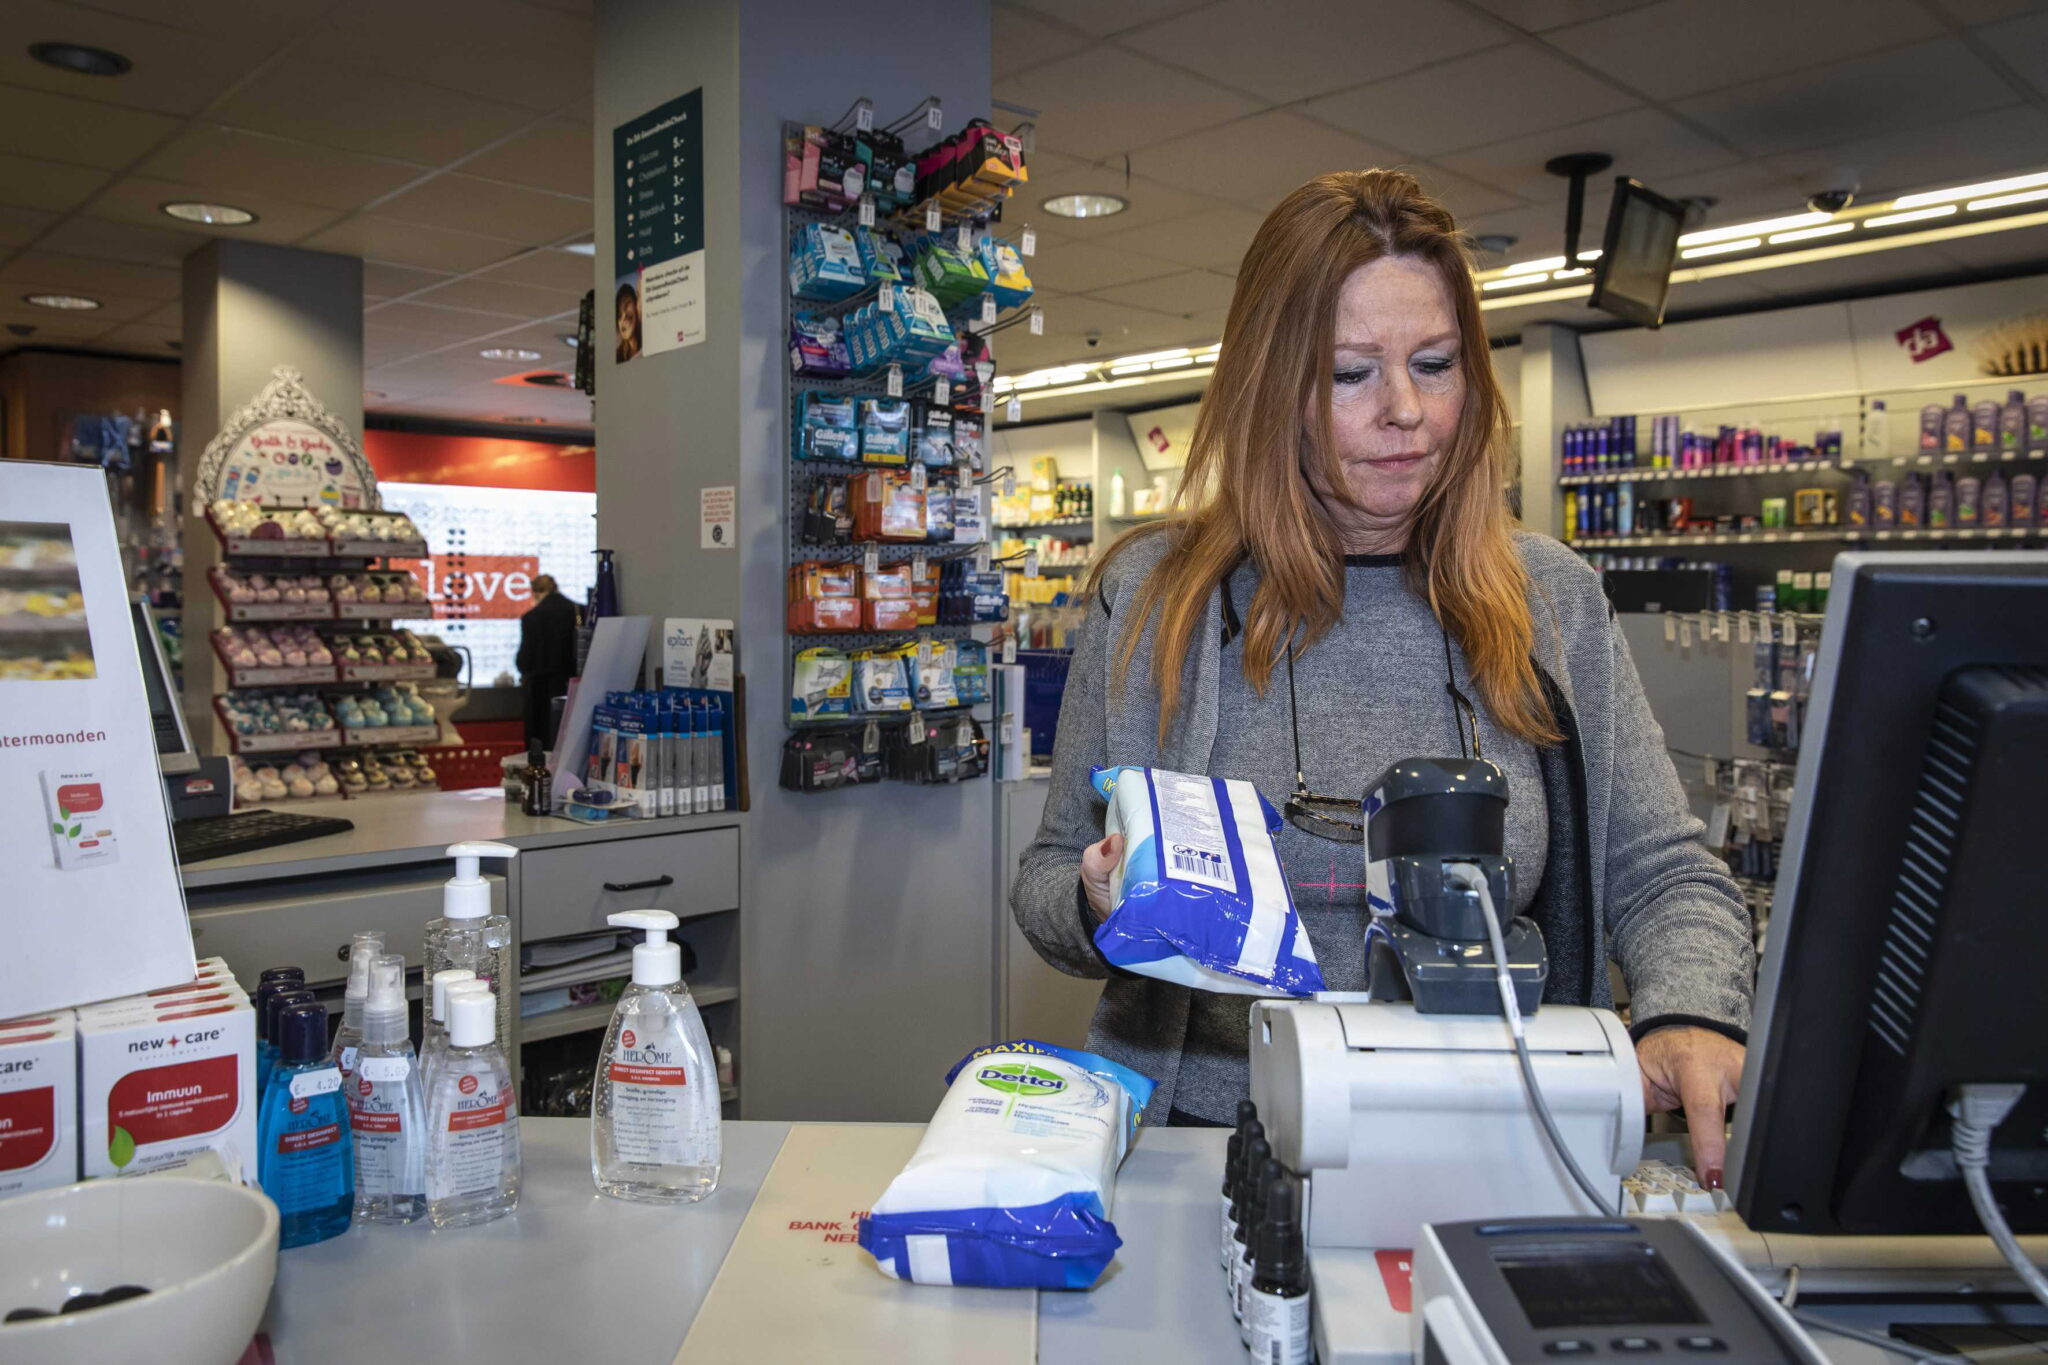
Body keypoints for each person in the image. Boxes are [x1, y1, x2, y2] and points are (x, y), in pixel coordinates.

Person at [1011, 170, 1755, 1185]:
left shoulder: (1550, 599)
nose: (1405, 410)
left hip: (1492, 1137)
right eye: (1350, 372)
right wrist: (1102, 902)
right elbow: (1049, 881)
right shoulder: (1155, 598)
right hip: (1199, 1143)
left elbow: (1658, 868)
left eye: (1435, 363)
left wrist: (1689, 1012)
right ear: (1271, 389)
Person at [516, 573, 579, 748]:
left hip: (540, 692)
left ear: (535, 593)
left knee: (542, 743)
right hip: (572, 687)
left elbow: (524, 661)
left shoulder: (531, 618)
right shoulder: (578, 611)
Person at [615, 281, 642, 363]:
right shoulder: (617, 357)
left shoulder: (649, 345)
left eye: (626, 305)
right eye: (619, 315)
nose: (624, 317)